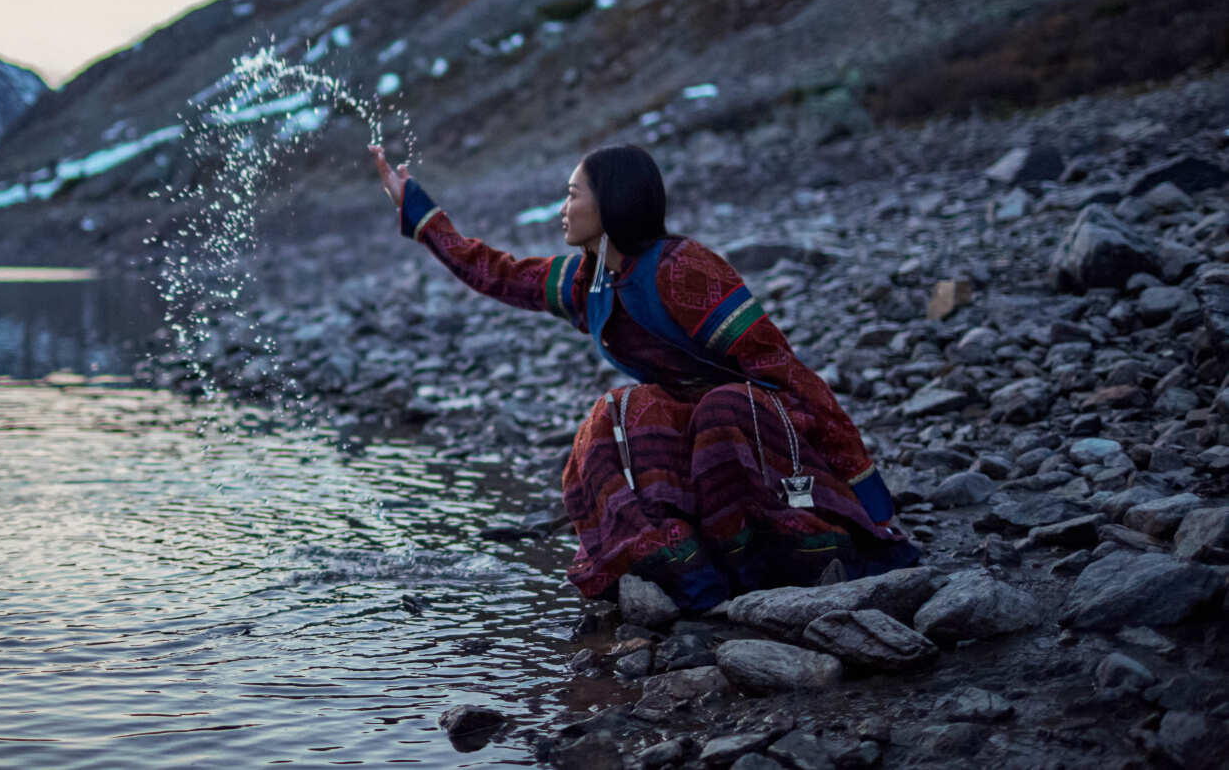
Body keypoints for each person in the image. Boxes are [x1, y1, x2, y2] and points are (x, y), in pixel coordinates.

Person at [369, 142, 917, 611]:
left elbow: (787, 374)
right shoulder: (591, 283)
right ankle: (684, 566)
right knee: (615, 415)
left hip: (763, 434)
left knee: (719, 408)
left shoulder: (683, 269)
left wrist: (870, 496)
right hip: (697, 438)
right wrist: (418, 212)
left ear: (608, 205)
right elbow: (498, 273)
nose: (562, 209)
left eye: (572, 195)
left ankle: (771, 554)